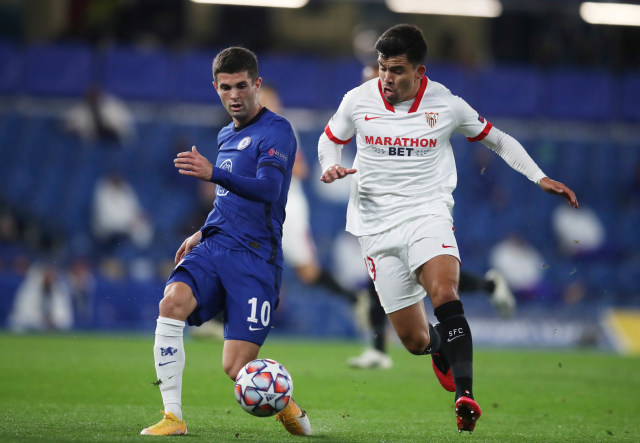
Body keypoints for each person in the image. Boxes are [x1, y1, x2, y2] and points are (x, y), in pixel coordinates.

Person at [318, 24, 578, 433]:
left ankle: (465, 395)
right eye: (383, 68)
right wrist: (328, 164)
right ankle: (439, 347)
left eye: (397, 70)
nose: (387, 78)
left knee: (444, 290)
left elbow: (499, 140)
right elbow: (329, 139)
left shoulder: (446, 105)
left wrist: (539, 176)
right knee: (415, 341)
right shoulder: (357, 100)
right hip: (376, 228)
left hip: (428, 213)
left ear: (419, 72)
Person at [140, 47, 311, 436]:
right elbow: (229, 199)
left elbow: (268, 189)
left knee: (236, 369)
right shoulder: (225, 134)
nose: (234, 95)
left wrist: (213, 172)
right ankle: (173, 416)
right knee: (172, 302)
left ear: (257, 85)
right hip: (217, 246)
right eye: (225, 87)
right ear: (216, 88)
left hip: (256, 259)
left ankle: (284, 402)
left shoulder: (277, 130)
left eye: (241, 86)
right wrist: (201, 231)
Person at [348, 62, 516, 370]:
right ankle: (379, 348)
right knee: (389, 279)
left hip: (419, 212)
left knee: (433, 282)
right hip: (381, 218)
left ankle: (380, 348)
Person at [260, 84, 357, 303]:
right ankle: (220, 320)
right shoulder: (244, 130)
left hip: (286, 208)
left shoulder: (282, 128)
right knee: (243, 261)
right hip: (258, 208)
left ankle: (354, 299)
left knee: (308, 272)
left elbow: (299, 169)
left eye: (268, 101)